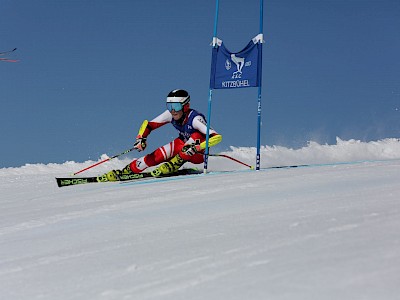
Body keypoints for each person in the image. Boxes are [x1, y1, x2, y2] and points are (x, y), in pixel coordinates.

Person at [100, 89, 222, 181]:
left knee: (195, 136)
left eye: (176, 106)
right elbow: (149, 124)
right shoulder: (171, 114)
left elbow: (216, 137)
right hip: (181, 145)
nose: (172, 110)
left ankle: (174, 164)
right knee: (156, 156)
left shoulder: (195, 119)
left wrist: (197, 147)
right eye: (169, 106)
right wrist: (141, 138)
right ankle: (127, 171)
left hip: (197, 154)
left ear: (186, 106)